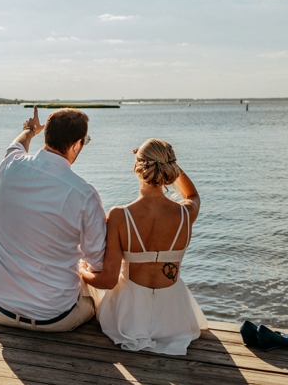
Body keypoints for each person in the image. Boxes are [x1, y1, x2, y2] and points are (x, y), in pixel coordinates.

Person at [0, 106, 107, 332]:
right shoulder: (84, 194)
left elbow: (16, 146)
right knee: (94, 288)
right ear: (76, 144)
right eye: (84, 142)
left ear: (47, 136)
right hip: (56, 318)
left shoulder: (11, 165)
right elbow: (98, 262)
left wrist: (30, 130)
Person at [80, 138, 207, 354]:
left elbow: (107, 280)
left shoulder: (120, 216)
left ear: (136, 167)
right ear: (171, 169)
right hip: (175, 318)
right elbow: (192, 194)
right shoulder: (186, 213)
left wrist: (81, 271)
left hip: (128, 318)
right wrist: (170, 165)